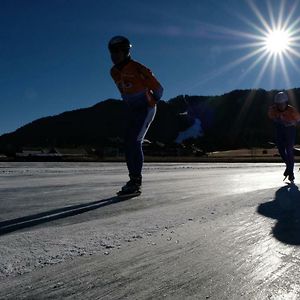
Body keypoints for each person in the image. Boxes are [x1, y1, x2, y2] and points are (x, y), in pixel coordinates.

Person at [108, 35, 163, 196]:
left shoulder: (138, 68)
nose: (114, 56)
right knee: (128, 143)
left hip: (146, 109)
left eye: (117, 52)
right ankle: (132, 180)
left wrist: (150, 101)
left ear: (126, 52)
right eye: (112, 52)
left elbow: (159, 89)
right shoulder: (113, 72)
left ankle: (136, 182)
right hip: (133, 110)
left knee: (134, 142)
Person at [268, 91, 300, 182]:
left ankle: (291, 173)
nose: (281, 106)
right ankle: (288, 166)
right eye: (279, 104)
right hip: (279, 129)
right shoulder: (272, 109)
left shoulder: (292, 111)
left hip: (290, 130)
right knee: (281, 150)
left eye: (283, 104)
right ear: (276, 104)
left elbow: (298, 120)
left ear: (286, 103)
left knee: (289, 150)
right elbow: (271, 117)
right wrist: (278, 121)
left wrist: (291, 123)